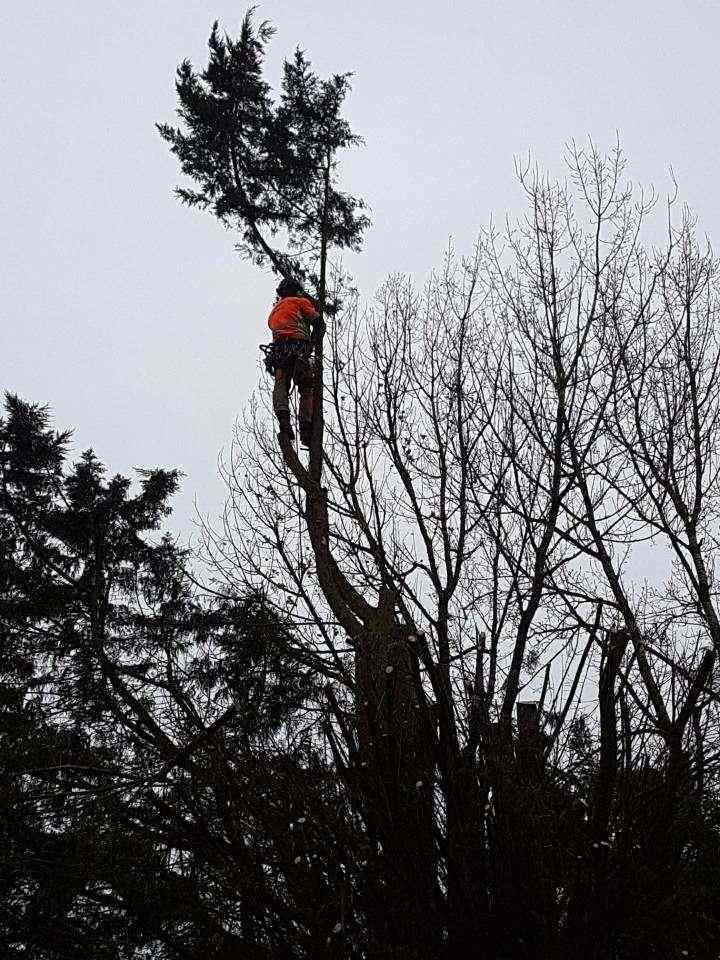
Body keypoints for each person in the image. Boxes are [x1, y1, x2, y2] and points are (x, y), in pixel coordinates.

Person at [265, 277, 319, 446]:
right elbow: (316, 320)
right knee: (306, 386)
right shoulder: (300, 302)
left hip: (279, 352)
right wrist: (315, 338)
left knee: (281, 384)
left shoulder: (275, 310)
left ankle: (283, 420)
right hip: (298, 349)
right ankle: (306, 427)